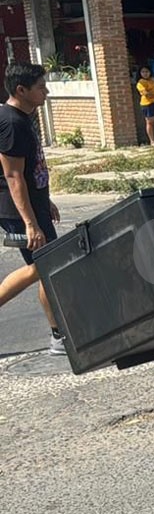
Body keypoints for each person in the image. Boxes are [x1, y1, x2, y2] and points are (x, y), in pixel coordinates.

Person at [0, 62, 65, 355]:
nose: (46, 92)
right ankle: (59, 335)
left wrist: (44, 199)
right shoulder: (12, 124)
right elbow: (13, 176)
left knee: (47, 269)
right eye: (40, 88)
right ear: (21, 90)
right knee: (43, 267)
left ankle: (58, 334)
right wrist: (30, 222)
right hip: (19, 212)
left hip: (34, 205)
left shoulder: (24, 117)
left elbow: (30, 170)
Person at [135, 66, 154, 146]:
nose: (145, 74)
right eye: (143, 72)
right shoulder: (141, 83)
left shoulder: (152, 80)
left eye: (147, 72)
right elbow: (146, 94)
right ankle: (152, 141)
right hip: (147, 104)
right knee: (150, 122)